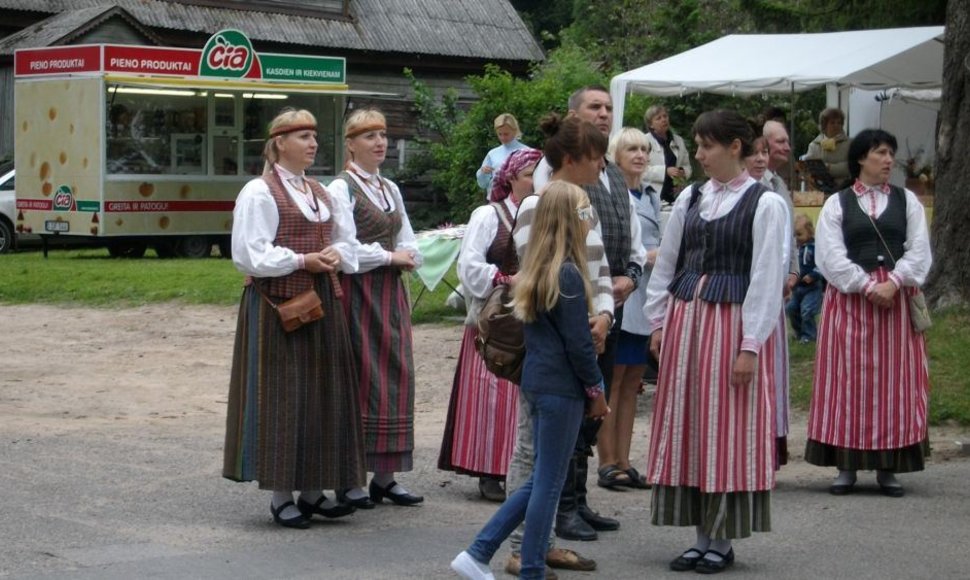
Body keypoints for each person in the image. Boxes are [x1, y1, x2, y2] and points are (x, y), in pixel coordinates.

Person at [644, 109, 789, 573]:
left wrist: (751, 345)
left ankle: (722, 541)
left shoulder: (765, 204)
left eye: (707, 146)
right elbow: (669, 263)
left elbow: (766, 278)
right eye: (698, 145)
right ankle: (701, 535)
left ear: (734, 148)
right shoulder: (691, 197)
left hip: (730, 327)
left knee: (726, 430)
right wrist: (659, 320)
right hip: (688, 325)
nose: (700, 155)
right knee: (692, 427)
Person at [451, 181, 610, 580]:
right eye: (587, 211)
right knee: (548, 483)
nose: (591, 218)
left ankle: (481, 551)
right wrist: (596, 390)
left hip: (538, 383)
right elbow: (578, 345)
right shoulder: (569, 275)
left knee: (542, 477)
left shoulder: (536, 270)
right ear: (573, 220)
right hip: (561, 388)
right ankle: (527, 566)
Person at [222, 108, 364, 528]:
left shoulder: (322, 193)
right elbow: (249, 254)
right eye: (302, 136)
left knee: (322, 394)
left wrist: (337, 254)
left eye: (314, 136)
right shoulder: (259, 192)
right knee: (284, 397)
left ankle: (313, 492)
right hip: (279, 306)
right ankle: (282, 495)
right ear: (279, 143)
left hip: (322, 300)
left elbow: (347, 242)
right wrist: (304, 259)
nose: (312, 143)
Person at [534, 85, 647, 544]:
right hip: (572, 309)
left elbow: (633, 237)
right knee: (577, 405)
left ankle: (579, 501)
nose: (604, 113)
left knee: (594, 407)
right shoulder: (553, 176)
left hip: (609, 304)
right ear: (573, 115)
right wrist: (593, 305)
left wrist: (631, 278)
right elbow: (557, 250)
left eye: (607, 107)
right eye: (594, 107)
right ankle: (563, 507)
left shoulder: (614, 175)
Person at [503, 114, 615, 577]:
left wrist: (605, 313)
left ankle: (540, 541)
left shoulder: (585, 201)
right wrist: (580, 317)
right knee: (533, 452)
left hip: (584, 333)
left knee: (558, 452)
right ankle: (518, 548)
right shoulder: (536, 205)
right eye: (595, 157)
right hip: (553, 344)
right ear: (571, 159)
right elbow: (541, 278)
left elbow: (599, 265)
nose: (601, 165)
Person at [805, 129, 931, 498]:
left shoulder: (907, 202)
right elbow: (829, 254)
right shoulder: (837, 204)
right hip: (850, 300)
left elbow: (919, 249)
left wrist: (893, 282)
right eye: (880, 153)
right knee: (847, 381)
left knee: (895, 384)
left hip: (895, 301)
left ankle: (888, 466)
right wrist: (864, 285)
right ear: (861, 158)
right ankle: (846, 465)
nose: (888, 159)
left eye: (891, 153)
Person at [328, 108, 425, 508]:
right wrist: (391, 257)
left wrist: (408, 255)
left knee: (396, 376)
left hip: (391, 294)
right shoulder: (341, 189)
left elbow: (409, 239)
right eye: (369, 136)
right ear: (350, 143)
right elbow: (345, 248)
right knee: (360, 379)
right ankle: (349, 479)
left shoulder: (390, 188)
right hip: (358, 294)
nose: (380, 142)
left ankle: (385, 477)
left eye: (383, 134)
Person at [438, 147, 543, 502]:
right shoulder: (489, 214)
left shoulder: (545, 214)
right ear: (511, 177)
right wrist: (503, 277)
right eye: (530, 173)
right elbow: (467, 266)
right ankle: (488, 469)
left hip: (533, 319)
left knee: (524, 396)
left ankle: (522, 468)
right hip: (494, 320)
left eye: (539, 173)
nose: (535, 180)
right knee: (492, 392)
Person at [596, 127, 660, 491]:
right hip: (624, 290)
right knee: (614, 380)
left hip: (647, 293)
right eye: (632, 149)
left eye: (644, 149)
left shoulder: (650, 195)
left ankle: (624, 458)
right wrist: (651, 255)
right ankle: (606, 460)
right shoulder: (613, 192)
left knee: (634, 381)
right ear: (616, 155)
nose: (639, 155)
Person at [747, 131, 793, 469]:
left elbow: (786, 237)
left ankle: (769, 448)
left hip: (774, 294)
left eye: (765, 152)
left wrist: (790, 272)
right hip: (748, 292)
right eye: (755, 154)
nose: (762, 159)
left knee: (772, 372)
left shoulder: (776, 189)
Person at [786, 214, 824, 343]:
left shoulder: (815, 248)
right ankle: (799, 333)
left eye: (800, 234)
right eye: (794, 235)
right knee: (791, 308)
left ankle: (809, 335)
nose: (797, 238)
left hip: (812, 288)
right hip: (798, 288)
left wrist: (813, 275)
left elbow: (822, 264)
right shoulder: (795, 249)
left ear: (809, 232)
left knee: (806, 311)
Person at [643, 105, 692, 204]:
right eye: (658, 118)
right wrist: (665, 171)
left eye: (665, 116)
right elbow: (641, 170)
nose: (664, 120)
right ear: (651, 125)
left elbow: (687, 166)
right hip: (652, 196)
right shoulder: (643, 140)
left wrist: (683, 172)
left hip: (676, 195)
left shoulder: (678, 140)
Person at [477, 113, 528, 197]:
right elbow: (483, 184)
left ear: (515, 131)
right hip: (496, 201)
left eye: (506, 134)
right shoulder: (492, 154)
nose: (503, 138)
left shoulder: (527, 152)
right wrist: (483, 173)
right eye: (500, 134)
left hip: (520, 200)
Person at [804, 107, 851, 185]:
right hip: (820, 188)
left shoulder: (849, 143)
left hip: (843, 187)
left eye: (839, 123)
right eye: (832, 123)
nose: (836, 125)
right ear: (824, 125)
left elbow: (850, 167)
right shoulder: (814, 145)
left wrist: (828, 167)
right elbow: (809, 168)